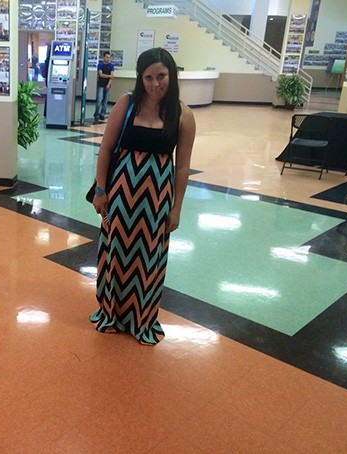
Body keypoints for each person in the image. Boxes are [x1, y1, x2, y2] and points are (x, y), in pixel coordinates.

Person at [89, 47, 196, 345]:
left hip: (157, 199)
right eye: (148, 77)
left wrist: (176, 209)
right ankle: (110, 312)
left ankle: (142, 317)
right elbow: (106, 149)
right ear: (140, 78)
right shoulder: (127, 104)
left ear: (171, 75)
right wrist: (100, 190)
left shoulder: (183, 115)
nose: (155, 84)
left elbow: (182, 167)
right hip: (121, 194)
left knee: (149, 258)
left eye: (161, 76)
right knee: (115, 251)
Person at [94, 51, 115, 123]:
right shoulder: (100, 65)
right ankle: (96, 114)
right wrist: (109, 76)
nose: (108, 59)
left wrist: (109, 84)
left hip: (107, 85)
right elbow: (101, 74)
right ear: (103, 57)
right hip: (101, 85)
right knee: (99, 100)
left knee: (105, 101)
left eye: (109, 57)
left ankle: (102, 114)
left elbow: (112, 77)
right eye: (107, 57)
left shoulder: (111, 66)